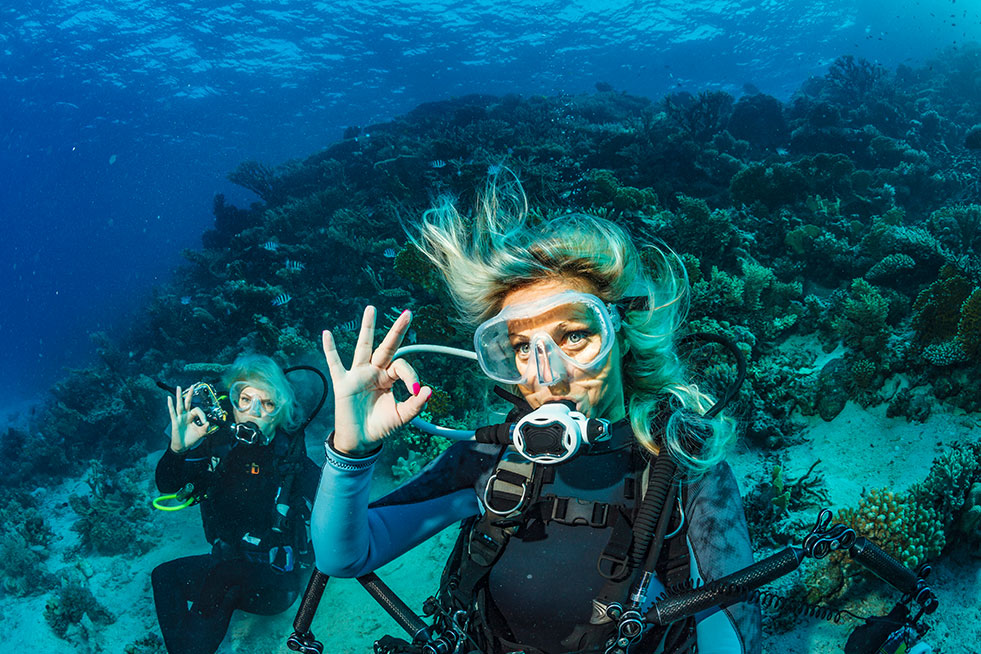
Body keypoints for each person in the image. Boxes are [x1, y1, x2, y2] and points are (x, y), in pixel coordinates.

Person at [312, 179, 762, 654]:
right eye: (523, 347)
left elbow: (733, 639)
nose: (547, 376)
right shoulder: (486, 457)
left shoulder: (688, 473)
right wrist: (350, 453)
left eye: (572, 336)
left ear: (622, 335)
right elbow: (343, 556)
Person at [151, 354, 320, 654]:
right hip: (226, 564)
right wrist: (177, 449)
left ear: (281, 412)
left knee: (224, 577)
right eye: (244, 399)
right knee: (164, 576)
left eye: (267, 403)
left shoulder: (293, 464)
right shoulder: (220, 449)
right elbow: (168, 485)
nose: (253, 411)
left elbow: (337, 512)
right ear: (232, 402)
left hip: (278, 584)